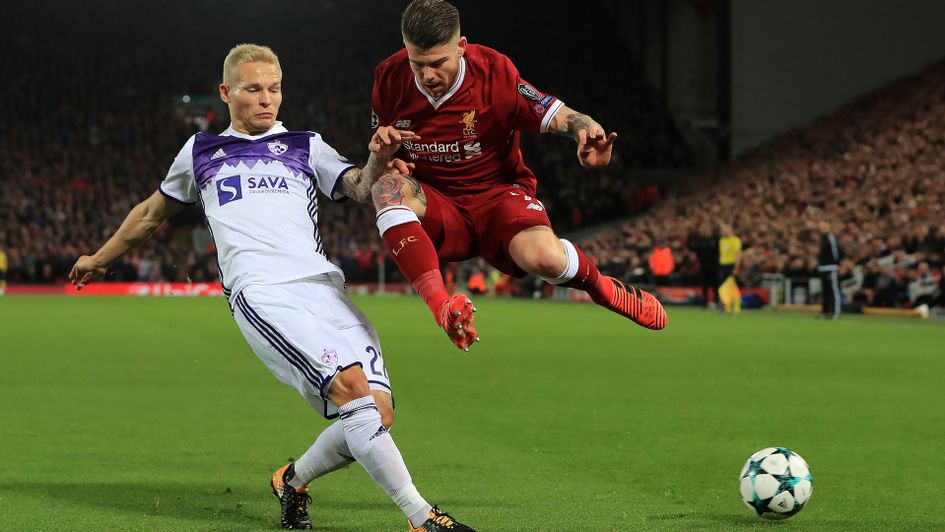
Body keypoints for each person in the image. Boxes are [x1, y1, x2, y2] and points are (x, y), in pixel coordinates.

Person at [69, 44, 472, 532]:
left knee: (377, 412)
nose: (266, 99)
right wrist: (99, 258)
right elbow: (151, 214)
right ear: (226, 93)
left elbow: (361, 188)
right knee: (351, 389)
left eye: (274, 89)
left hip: (323, 287)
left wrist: (378, 158)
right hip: (261, 290)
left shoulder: (306, 144)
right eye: (253, 89)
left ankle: (292, 479)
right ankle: (422, 518)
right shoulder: (200, 151)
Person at [366, 0, 667, 350]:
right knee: (386, 188)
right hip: (437, 202)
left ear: (461, 48)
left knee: (546, 259)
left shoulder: (494, 73)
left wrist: (587, 130)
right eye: (418, 64)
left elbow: (556, 113)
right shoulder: (389, 78)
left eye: (438, 63)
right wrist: (383, 158)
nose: (428, 76)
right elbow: (378, 164)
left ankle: (602, 289)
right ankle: (441, 307)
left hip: (496, 196)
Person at [688, 223, 719, 309]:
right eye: (703, 229)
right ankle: (705, 302)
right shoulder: (699, 240)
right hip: (703, 265)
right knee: (704, 285)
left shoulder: (715, 239)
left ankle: (716, 301)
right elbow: (691, 247)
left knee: (715, 284)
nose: (704, 230)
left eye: (706, 228)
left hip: (714, 265)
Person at [817, 221, 842, 319]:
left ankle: (835, 312)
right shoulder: (822, 238)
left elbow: (835, 252)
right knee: (825, 292)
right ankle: (825, 312)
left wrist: (837, 265)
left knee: (834, 291)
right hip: (823, 268)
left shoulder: (831, 237)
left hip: (831, 268)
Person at [718, 223, 742, 315]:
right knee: (723, 288)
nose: (723, 232)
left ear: (730, 230)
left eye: (725, 230)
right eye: (722, 230)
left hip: (731, 265)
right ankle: (727, 308)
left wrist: (736, 267)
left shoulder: (735, 240)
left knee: (732, 287)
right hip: (723, 265)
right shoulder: (722, 240)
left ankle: (736, 308)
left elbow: (738, 254)